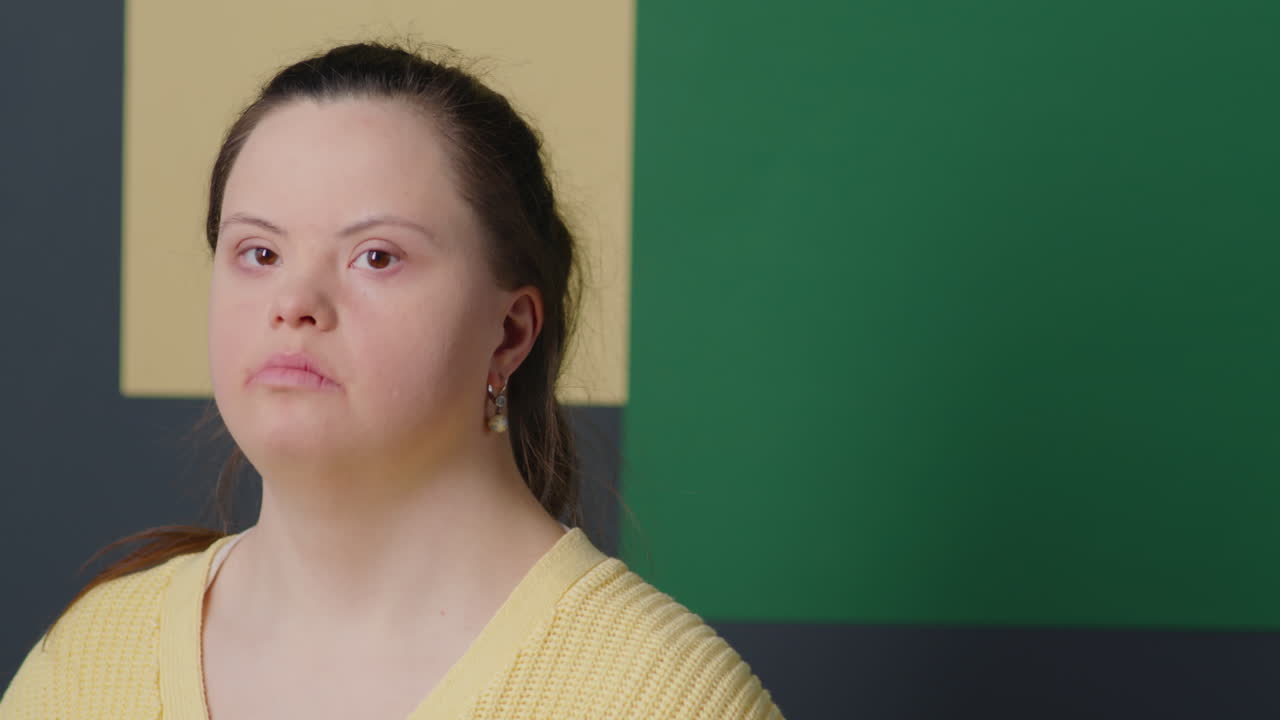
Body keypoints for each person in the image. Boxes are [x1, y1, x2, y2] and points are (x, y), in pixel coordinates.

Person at [0, 41, 783, 719]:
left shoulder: (658, 697)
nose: (294, 303)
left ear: (511, 332)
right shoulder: (88, 664)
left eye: (376, 256)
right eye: (258, 253)